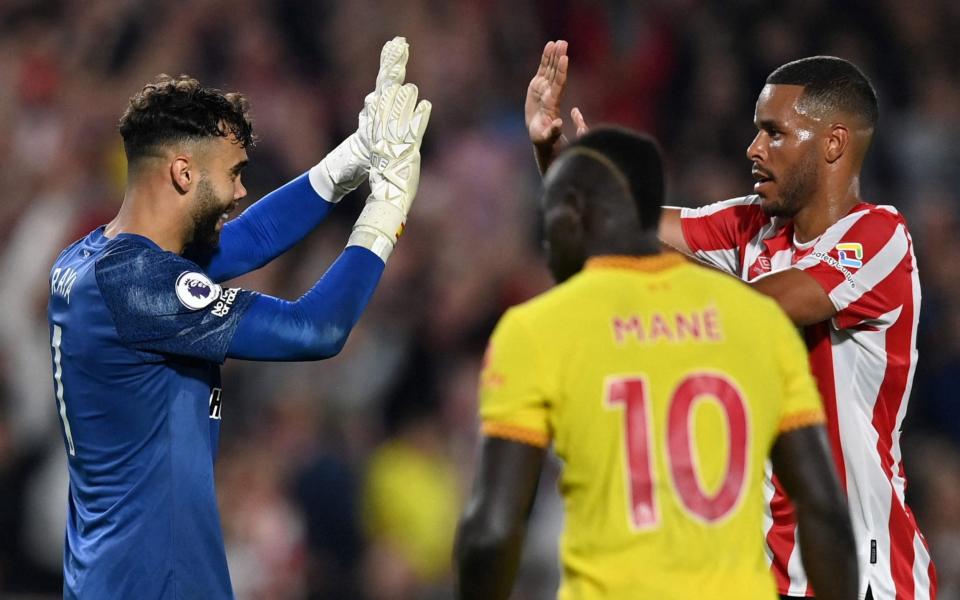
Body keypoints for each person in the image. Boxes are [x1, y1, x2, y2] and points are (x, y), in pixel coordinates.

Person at [526, 41, 935, 599]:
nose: (754, 147)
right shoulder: (748, 225)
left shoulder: (879, 239)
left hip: (865, 573)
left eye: (775, 132)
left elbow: (755, 313)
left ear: (834, 144)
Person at [46, 37, 431, 599]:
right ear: (182, 172)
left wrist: (348, 161)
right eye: (233, 173)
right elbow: (315, 329)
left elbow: (248, 239)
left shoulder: (90, 260)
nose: (241, 191)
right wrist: (387, 208)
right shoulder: (138, 288)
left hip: (111, 575)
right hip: (156, 582)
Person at [454, 127, 857, 600]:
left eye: (547, 222)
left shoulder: (536, 329)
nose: (546, 244)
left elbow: (494, 531)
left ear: (573, 212)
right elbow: (825, 513)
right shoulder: (758, 322)